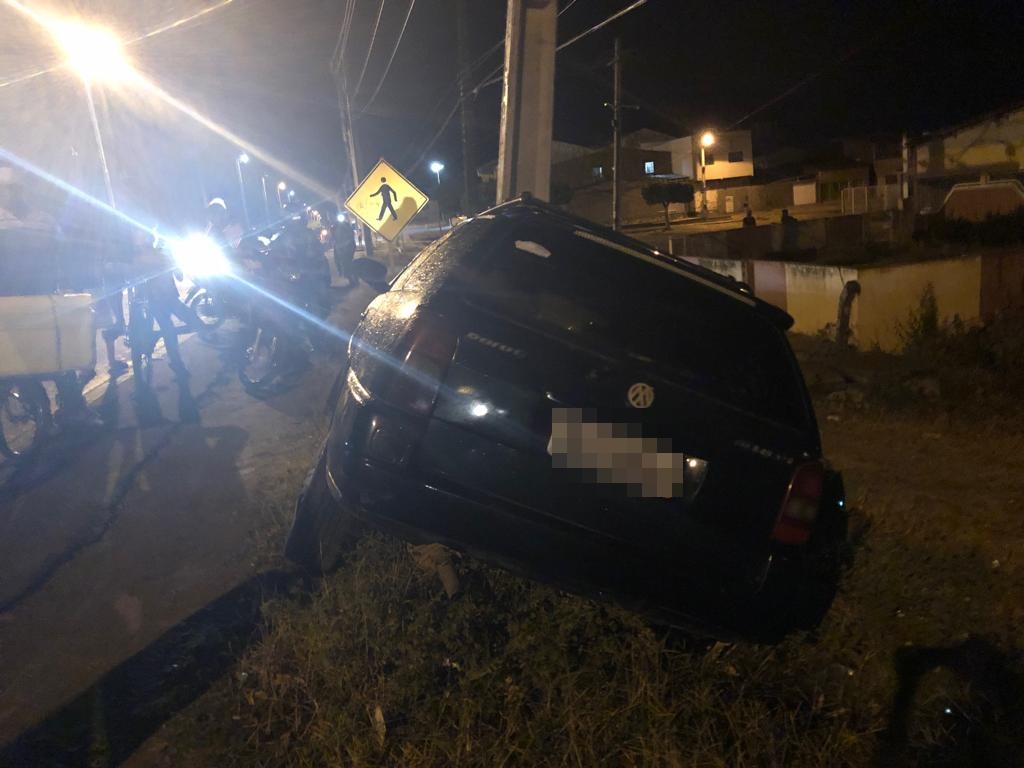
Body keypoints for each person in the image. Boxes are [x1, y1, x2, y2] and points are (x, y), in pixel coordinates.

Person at [0, 165, 101, 427]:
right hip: (15, 303)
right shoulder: (32, 219)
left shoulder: (42, 220)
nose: (11, 195)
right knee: (22, 360)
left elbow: (61, 254)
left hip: (37, 300)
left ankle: (71, 408)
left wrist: (68, 282)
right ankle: (51, 405)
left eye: (14, 190)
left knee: (55, 358)